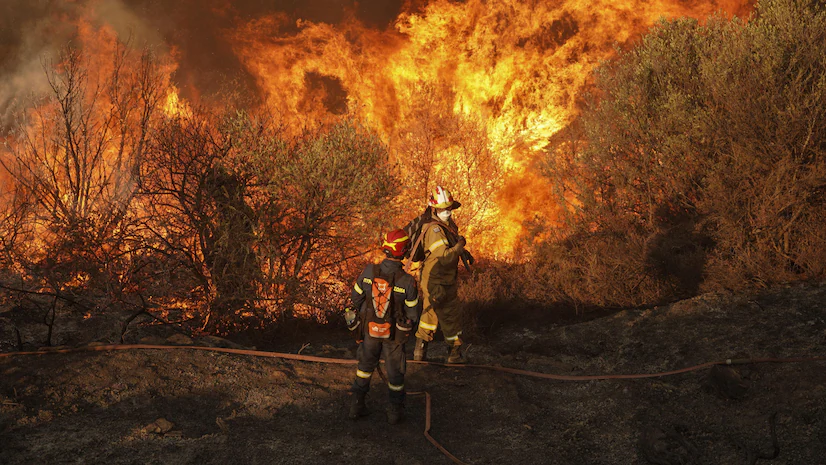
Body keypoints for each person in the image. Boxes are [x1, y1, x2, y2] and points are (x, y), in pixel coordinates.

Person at [347, 229, 421, 424]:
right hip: (394, 336)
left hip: (369, 332)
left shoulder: (369, 271)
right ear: (404, 251)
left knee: (364, 367)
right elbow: (413, 315)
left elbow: (355, 298)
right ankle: (394, 413)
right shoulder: (408, 282)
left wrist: (369, 315)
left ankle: (356, 405)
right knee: (395, 372)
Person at [409, 186, 469, 364]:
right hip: (435, 281)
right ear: (435, 209)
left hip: (445, 279)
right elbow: (444, 257)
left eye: (449, 208)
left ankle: (450, 354)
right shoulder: (434, 230)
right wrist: (459, 247)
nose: (447, 212)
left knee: (446, 315)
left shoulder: (446, 226)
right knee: (433, 315)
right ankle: (424, 353)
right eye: (443, 209)